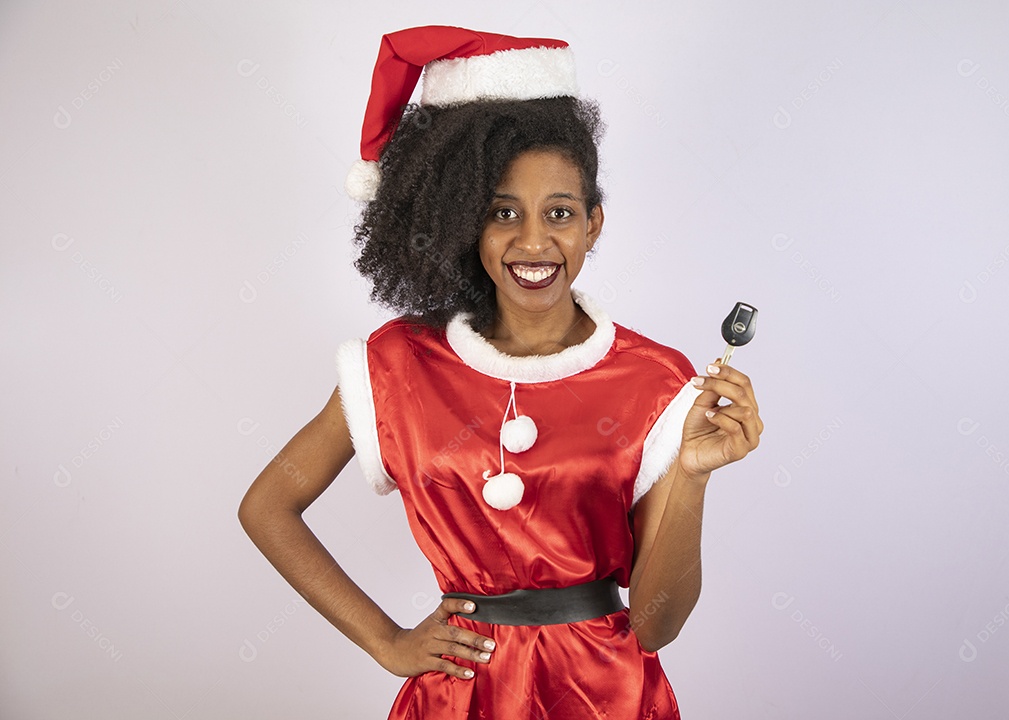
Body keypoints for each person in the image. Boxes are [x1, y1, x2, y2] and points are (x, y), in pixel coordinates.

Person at [238, 25, 763, 719]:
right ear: (465, 223)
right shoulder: (398, 365)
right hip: (459, 693)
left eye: (561, 213)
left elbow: (658, 625)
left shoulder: (655, 379)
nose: (534, 241)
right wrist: (385, 641)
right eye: (502, 213)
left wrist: (692, 474)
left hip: (604, 696)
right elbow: (269, 507)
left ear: (594, 224)